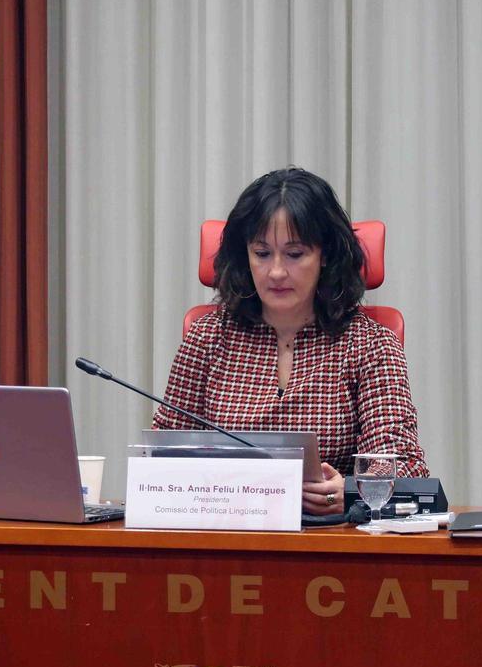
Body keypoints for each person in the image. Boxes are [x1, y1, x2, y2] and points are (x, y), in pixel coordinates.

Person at [153, 168, 427, 515]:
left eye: (295, 254)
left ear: (325, 255)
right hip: (222, 538)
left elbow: (403, 464)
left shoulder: (369, 344)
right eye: (262, 254)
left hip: (331, 543)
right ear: (245, 256)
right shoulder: (207, 338)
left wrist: (351, 491)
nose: (277, 272)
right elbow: (159, 457)